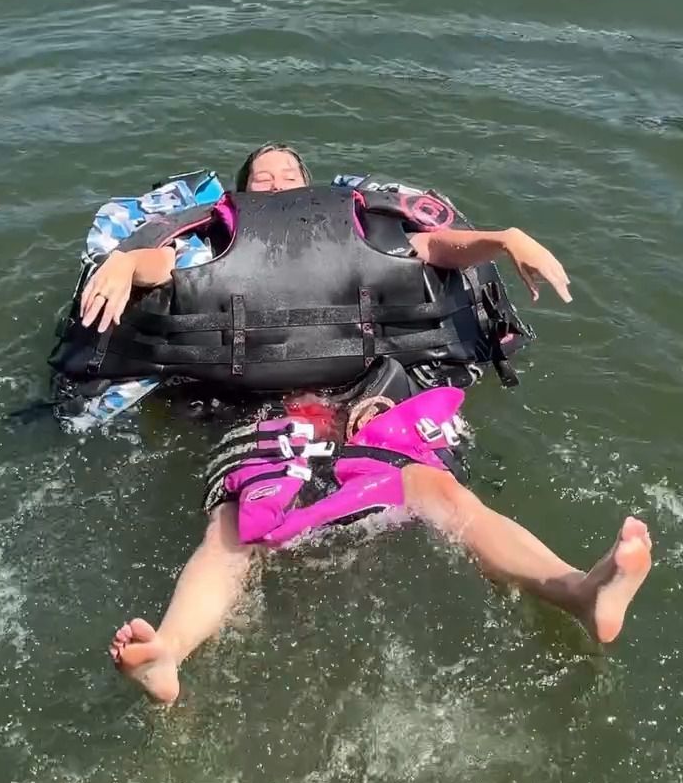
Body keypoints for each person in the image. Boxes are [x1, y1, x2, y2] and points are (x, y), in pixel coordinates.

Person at [109, 377, 652, 705]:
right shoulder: (257, 391)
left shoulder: (380, 419)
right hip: (276, 465)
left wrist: (509, 239)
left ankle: (579, 591)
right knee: (228, 531)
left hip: (360, 478)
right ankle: (169, 649)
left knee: (446, 493)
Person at [76, 142, 570, 345]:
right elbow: (172, 265)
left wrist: (504, 239)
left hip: (347, 370)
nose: (276, 183)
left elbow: (429, 249)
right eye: (262, 178)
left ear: (311, 188)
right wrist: (125, 264)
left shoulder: (349, 221)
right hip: (250, 377)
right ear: (242, 194)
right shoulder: (224, 228)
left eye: (289, 174)